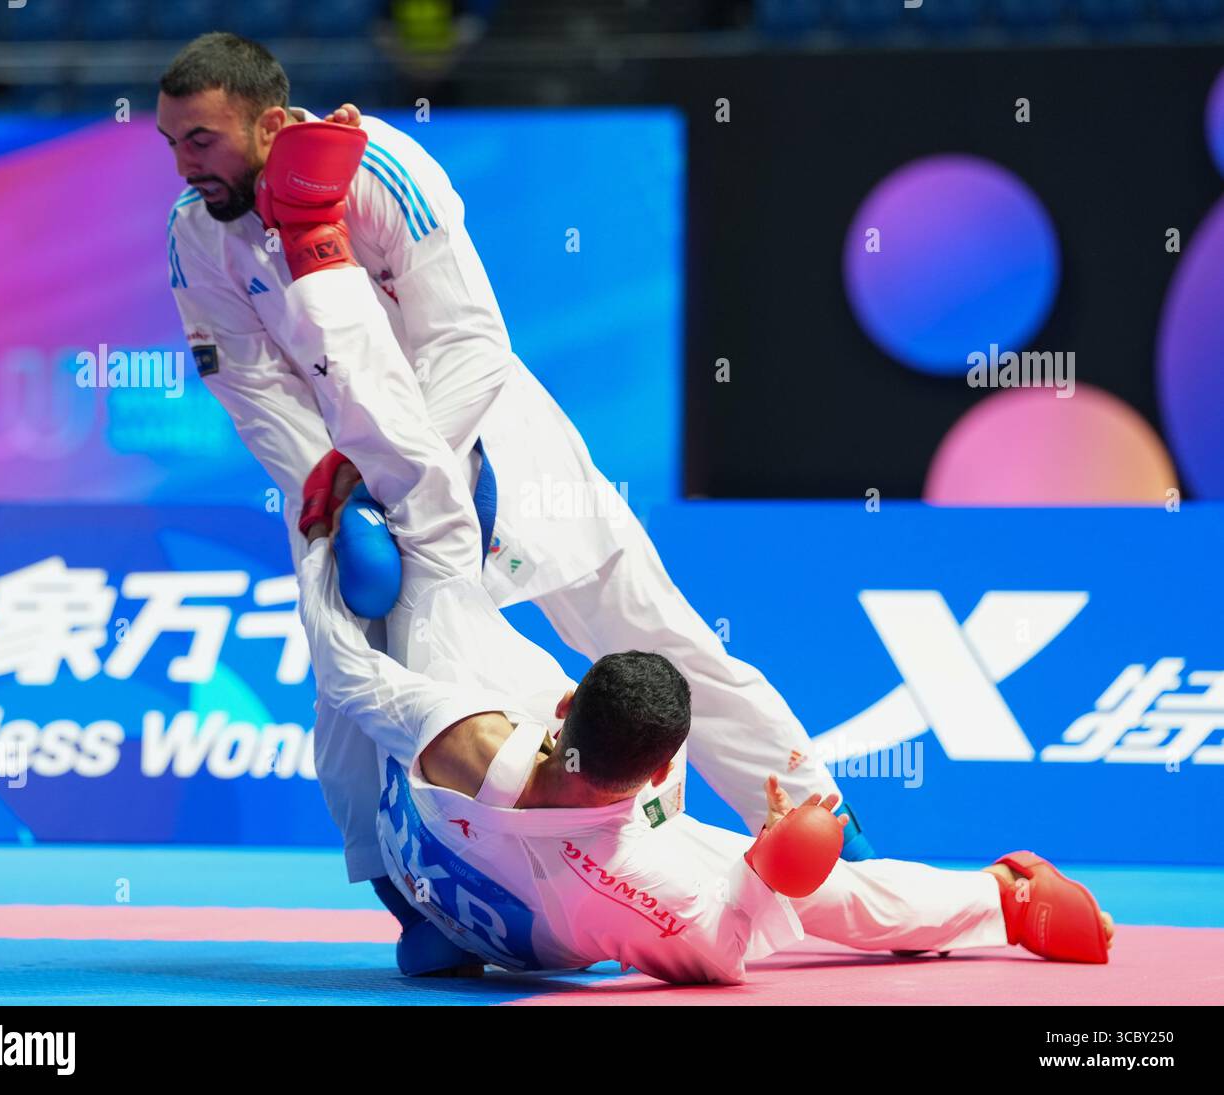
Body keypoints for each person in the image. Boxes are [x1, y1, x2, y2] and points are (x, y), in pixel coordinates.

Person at [158, 30, 876, 954]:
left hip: (500, 451)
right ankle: (419, 905)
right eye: (173, 143)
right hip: (360, 493)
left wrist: (402, 458)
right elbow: (252, 389)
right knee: (350, 707)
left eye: (202, 140)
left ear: (269, 123)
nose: (184, 165)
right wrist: (331, 481)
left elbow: (470, 343)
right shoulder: (194, 234)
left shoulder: (376, 166)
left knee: (658, 641)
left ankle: (829, 826)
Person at [291, 474, 1116, 984]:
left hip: (448, 881)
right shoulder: (648, 880)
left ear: (569, 702)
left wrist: (321, 548)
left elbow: (338, 665)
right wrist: (767, 868)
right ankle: (1002, 904)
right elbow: (724, 953)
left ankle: (406, 912)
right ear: (659, 779)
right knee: (830, 891)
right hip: (540, 933)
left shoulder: (453, 727)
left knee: (407, 597)